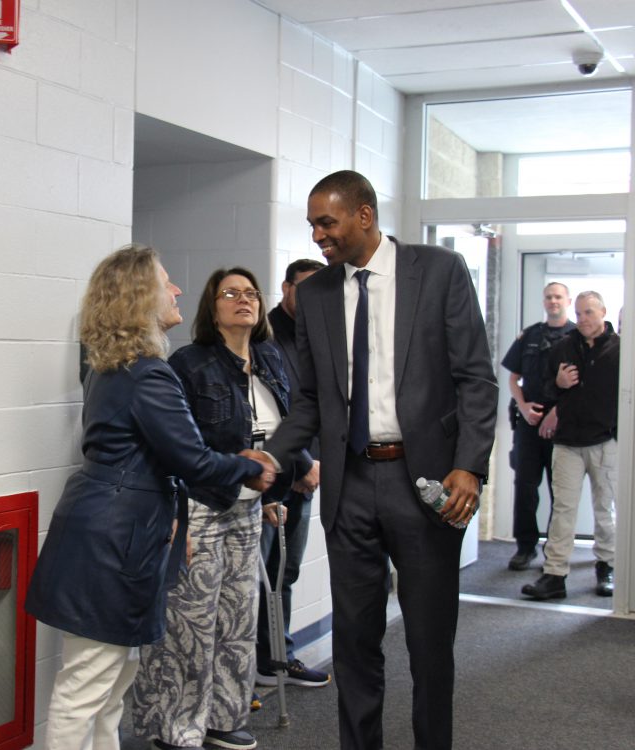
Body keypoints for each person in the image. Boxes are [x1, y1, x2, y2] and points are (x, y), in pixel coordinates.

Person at [265, 170, 497, 750]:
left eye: (327, 222)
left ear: (364, 215)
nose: (318, 236)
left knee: (427, 639)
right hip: (350, 488)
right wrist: (270, 456)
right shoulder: (317, 294)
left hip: (422, 484)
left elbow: (475, 378)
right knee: (356, 643)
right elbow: (312, 400)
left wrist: (469, 464)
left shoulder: (437, 272)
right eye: (313, 225)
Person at [25, 245, 276, 750]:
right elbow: (194, 460)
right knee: (87, 687)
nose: (178, 290)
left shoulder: (113, 367)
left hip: (113, 535)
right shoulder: (147, 373)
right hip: (113, 543)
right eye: (167, 282)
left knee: (110, 685)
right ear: (141, 297)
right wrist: (250, 468)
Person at [131, 267, 312, 750]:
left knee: (237, 616)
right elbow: (173, 446)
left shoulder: (271, 357)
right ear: (212, 307)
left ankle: (222, 715)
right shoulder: (190, 364)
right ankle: (175, 727)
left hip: (250, 508)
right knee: (191, 621)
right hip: (202, 504)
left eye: (251, 293)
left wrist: (273, 496)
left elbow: (282, 431)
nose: (243, 300)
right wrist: (174, 512)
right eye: (230, 293)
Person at [255, 258, 331, 690]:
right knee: (261, 573)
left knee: (286, 571)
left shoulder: (319, 334)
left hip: (307, 474)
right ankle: (255, 662)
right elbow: (278, 408)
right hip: (274, 478)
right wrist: (302, 462)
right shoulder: (266, 338)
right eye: (305, 287)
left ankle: (276, 657)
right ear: (286, 288)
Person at [522, 291, 619, 600]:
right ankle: (554, 576)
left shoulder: (621, 351)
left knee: (606, 509)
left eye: (589, 312)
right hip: (567, 444)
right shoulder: (563, 347)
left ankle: (608, 567)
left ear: (603, 311)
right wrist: (559, 385)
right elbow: (545, 391)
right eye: (579, 314)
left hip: (605, 441)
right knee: (563, 509)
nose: (583, 319)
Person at [501, 282, 575, 570]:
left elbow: (579, 386)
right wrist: (522, 405)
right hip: (529, 422)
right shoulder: (530, 335)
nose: (553, 301)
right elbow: (513, 378)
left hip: (561, 425)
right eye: (548, 297)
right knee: (525, 487)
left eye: (558, 297)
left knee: (561, 492)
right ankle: (525, 546)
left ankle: (557, 550)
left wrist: (555, 412)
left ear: (566, 300)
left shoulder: (575, 337)